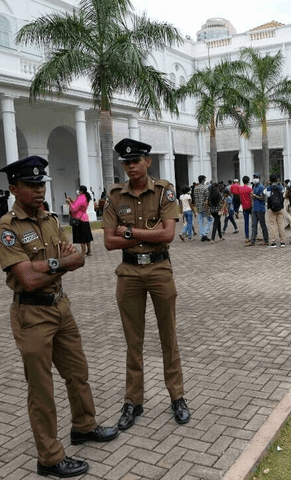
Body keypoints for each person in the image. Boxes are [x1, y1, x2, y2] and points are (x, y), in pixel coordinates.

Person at [0, 156, 119, 478]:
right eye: (31, 185)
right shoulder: (6, 229)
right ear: (14, 188)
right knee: (42, 388)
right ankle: (48, 458)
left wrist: (47, 265)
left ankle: (84, 427)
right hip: (31, 313)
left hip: (61, 307)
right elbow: (29, 278)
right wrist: (58, 265)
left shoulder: (49, 220)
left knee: (78, 371)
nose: (38, 190)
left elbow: (78, 257)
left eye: (41, 184)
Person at [103, 138, 190, 429]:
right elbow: (108, 242)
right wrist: (140, 234)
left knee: (169, 337)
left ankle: (177, 396)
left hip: (159, 269)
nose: (131, 166)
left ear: (147, 162)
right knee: (133, 341)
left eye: (136, 161)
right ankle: (133, 401)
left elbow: (167, 235)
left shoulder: (164, 191)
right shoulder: (114, 195)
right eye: (126, 162)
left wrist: (127, 232)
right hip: (128, 273)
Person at [66, 185, 94, 256]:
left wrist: (69, 203)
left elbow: (74, 208)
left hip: (79, 219)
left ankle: (83, 252)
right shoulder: (85, 197)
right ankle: (89, 251)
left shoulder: (81, 198)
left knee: (82, 237)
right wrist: (71, 200)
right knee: (87, 237)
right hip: (85, 218)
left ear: (81, 191)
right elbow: (76, 204)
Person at [265, 173, 287, 247]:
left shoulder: (269, 188)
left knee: (272, 225)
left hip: (271, 208)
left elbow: (266, 194)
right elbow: (284, 193)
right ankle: (282, 241)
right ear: (277, 179)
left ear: (270, 180)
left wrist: (267, 184)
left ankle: (273, 242)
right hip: (280, 207)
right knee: (281, 224)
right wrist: (279, 182)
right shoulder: (280, 187)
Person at [250, 173, 270, 247]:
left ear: (259, 178)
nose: (255, 178)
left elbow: (262, 198)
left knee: (263, 225)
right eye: (254, 177)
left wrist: (255, 196)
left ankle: (266, 240)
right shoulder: (254, 186)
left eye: (256, 177)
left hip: (260, 209)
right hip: (254, 208)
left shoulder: (261, 187)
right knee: (253, 225)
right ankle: (252, 241)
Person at [194, 175, 211, 241]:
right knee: (210, 219)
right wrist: (207, 207)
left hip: (198, 207)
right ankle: (205, 233)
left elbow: (195, 198)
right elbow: (207, 198)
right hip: (204, 207)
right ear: (203, 180)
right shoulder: (205, 188)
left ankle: (202, 235)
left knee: (200, 221)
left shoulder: (196, 188)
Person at [239, 176, 254, 245]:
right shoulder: (249, 188)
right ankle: (253, 235)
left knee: (246, 222)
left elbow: (240, 198)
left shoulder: (240, 189)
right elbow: (251, 198)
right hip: (250, 206)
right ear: (248, 181)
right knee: (254, 221)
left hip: (244, 206)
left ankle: (247, 237)